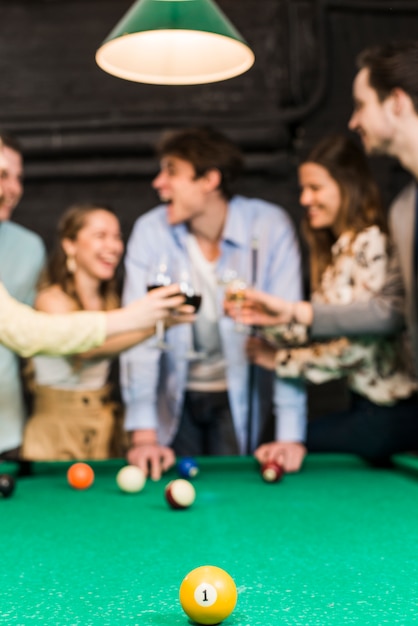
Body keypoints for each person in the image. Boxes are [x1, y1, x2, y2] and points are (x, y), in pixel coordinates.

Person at [121, 126, 307, 480]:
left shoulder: (269, 226)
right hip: (174, 398)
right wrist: (143, 433)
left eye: (172, 172)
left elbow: (288, 332)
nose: (158, 183)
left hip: (241, 399)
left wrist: (290, 435)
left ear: (209, 179)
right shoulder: (151, 231)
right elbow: (141, 333)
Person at [229, 134, 418, 462]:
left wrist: (282, 361)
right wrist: (266, 321)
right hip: (364, 406)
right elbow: (327, 327)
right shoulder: (338, 252)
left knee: (300, 442)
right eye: (304, 189)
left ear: (347, 186)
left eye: (315, 188)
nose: (305, 199)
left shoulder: (370, 243)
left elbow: (362, 346)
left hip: (392, 411)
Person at [21, 203, 193, 461]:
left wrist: (158, 321)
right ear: (70, 245)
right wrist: (156, 325)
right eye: (100, 236)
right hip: (56, 432)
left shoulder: (112, 301)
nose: (113, 246)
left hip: (104, 430)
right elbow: (88, 348)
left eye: (117, 237)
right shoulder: (51, 299)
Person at [0, 132, 47, 459]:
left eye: (18, 178)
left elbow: (32, 334)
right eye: (3, 175)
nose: (14, 189)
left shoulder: (29, 247)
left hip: (6, 426)